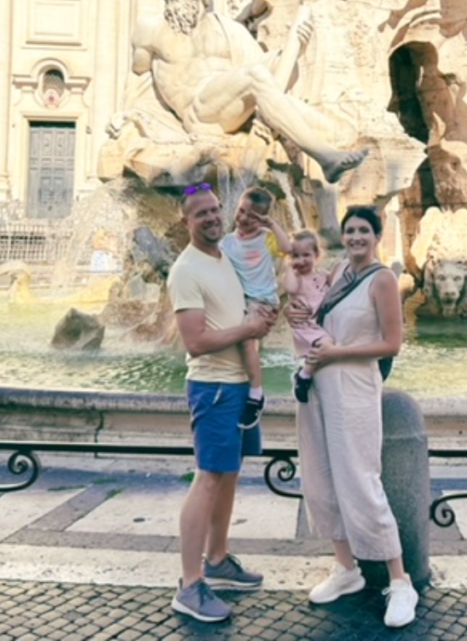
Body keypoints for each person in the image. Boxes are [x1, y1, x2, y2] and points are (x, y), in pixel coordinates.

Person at [287, 205, 419, 629]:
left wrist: (336, 353)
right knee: (321, 478)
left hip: (355, 387)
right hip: (319, 387)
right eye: (350, 230)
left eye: (364, 230)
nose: (357, 237)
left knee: (361, 478)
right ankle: (346, 569)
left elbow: (392, 343)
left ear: (377, 236)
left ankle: (400, 580)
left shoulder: (382, 279)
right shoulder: (338, 272)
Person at [130, 0, 366, 184]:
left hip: (231, 108)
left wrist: (295, 48)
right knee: (257, 75)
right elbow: (139, 78)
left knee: (328, 126)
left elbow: (269, 73)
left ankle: (328, 165)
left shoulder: (228, 29)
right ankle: (325, 157)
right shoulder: (151, 28)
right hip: (198, 113)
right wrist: (131, 118)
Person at [168, 183, 277, 624]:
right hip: (213, 387)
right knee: (209, 478)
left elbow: (241, 313)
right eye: (202, 214)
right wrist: (248, 329)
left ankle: (217, 559)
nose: (212, 218)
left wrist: (259, 322)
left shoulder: (225, 256)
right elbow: (195, 342)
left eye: (216, 210)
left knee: (228, 475)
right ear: (186, 221)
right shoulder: (185, 270)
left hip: (237, 386)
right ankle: (190, 584)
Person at [221, 186, 291, 428]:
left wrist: (270, 224)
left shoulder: (266, 237)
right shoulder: (227, 242)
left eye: (253, 216)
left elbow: (287, 248)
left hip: (262, 302)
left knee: (246, 338)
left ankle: (256, 394)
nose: (244, 218)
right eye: (241, 211)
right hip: (240, 301)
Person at [282, 229, 330, 403]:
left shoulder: (324, 276)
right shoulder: (296, 278)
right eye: (295, 256)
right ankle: (303, 375)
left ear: (316, 254)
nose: (301, 260)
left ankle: (308, 373)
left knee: (324, 349)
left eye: (306, 255)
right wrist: (288, 267)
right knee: (326, 344)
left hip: (317, 324)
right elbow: (290, 289)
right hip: (305, 325)